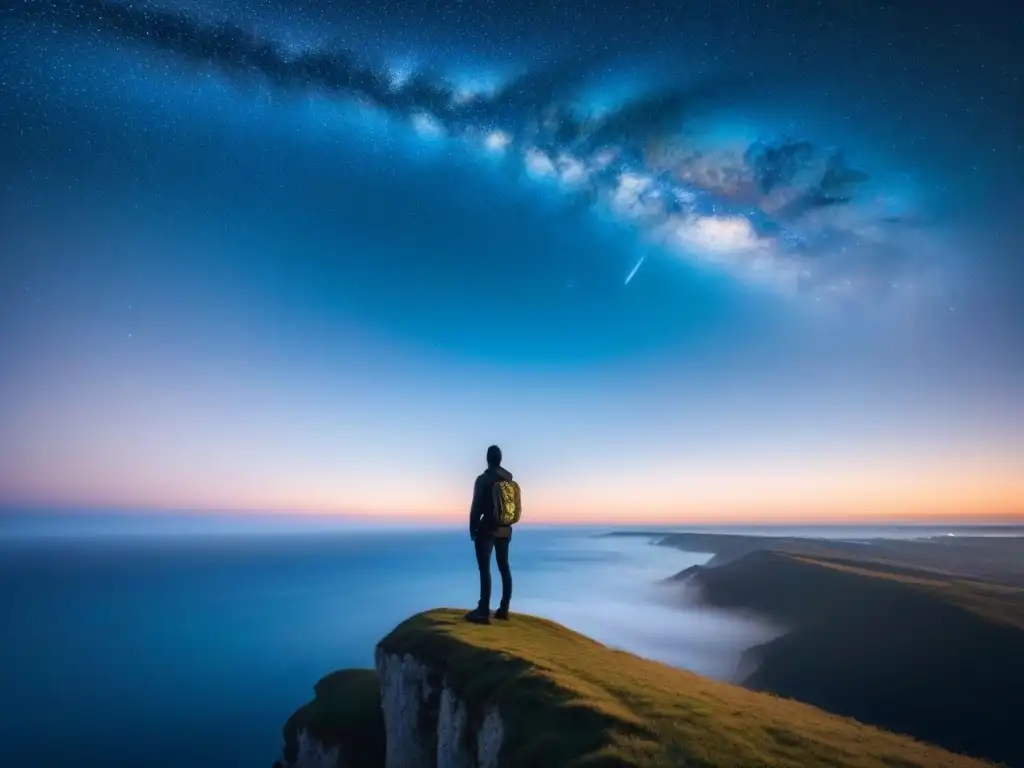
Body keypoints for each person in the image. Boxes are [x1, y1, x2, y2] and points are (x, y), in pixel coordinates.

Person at [464, 445, 514, 624]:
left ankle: (483, 610)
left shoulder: (483, 479)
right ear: (500, 460)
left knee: (485, 569)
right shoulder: (508, 481)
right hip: (506, 529)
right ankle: (504, 610)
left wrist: (472, 527)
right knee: (504, 567)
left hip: (487, 529)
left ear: (487, 459)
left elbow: (476, 506)